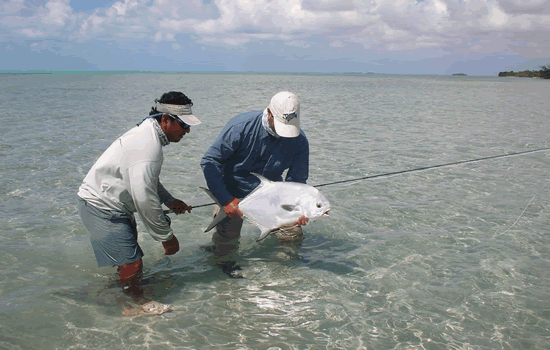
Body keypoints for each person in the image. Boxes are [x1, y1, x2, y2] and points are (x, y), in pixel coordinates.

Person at [77, 91, 200, 315]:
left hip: (113, 205)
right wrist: (166, 237)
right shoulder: (147, 145)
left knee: (128, 260)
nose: (187, 131)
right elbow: (144, 198)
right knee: (134, 263)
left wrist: (170, 201)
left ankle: (118, 291)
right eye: (183, 125)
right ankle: (132, 304)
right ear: (165, 119)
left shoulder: (148, 135)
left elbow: (147, 180)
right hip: (102, 207)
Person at [200, 91, 309, 277]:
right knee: (226, 244)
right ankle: (222, 266)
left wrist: (298, 209)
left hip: (273, 196)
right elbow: (210, 162)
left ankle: (284, 268)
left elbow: (296, 182)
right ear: (268, 113)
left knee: (293, 235)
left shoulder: (299, 141)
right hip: (232, 191)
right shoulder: (240, 126)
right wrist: (225, 200)